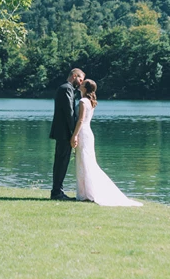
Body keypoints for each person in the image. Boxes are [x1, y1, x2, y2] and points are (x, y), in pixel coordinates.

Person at [72, 79, 141, 207]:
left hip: (82, 132)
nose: (80, 84)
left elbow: (80, 120)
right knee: (86, 162)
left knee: (84, 162)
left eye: (83, 83)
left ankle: (87, 193)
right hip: (88, 133)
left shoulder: (82, 101)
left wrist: (74, 136)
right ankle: (85, 193)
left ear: (85, 88)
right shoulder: (90, 102)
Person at [48, 68, 85, 200]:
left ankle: (57, 190)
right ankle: (57, 192)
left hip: (64, 132)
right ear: (74, 76)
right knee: (61, 162)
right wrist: (73, 133)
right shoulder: (66, 88)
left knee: (61, 162)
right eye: (80, 79)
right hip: (64, 132)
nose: (81, 83)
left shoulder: (66, 89)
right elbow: (69, 113)